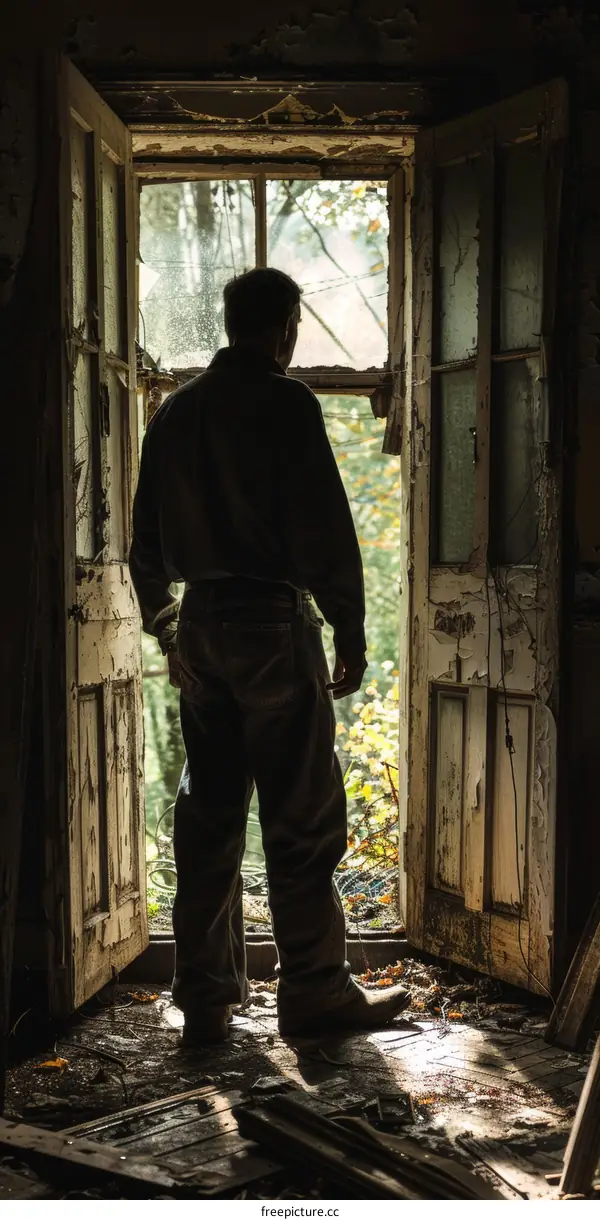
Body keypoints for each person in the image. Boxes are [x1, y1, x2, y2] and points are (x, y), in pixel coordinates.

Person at [130, 267, 410, 1044]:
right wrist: (349, 635)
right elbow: (324, 532)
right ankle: (315, 992)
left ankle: (208, 1000)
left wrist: (166, 628)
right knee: (301, 815)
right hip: (271, 625)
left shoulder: (176, 413)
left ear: (229, 322)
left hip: (204, 629)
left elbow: (143, 548)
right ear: (285, 324)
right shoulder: (287, 405)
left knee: (210, 814)